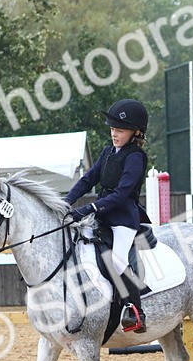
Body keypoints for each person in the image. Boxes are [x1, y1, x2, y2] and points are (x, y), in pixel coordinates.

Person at [63, 98, 152, 333]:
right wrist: (66, 202)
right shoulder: (107, 152)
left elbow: (123, 193)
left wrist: (90, 208)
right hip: (102, 216)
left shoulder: (135, 156)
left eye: (120, 130)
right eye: (112, 129)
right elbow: (88, 179)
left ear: (135, 132)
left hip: (123, 219)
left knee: (117, 260)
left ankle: (136, 311)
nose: (114, 134)